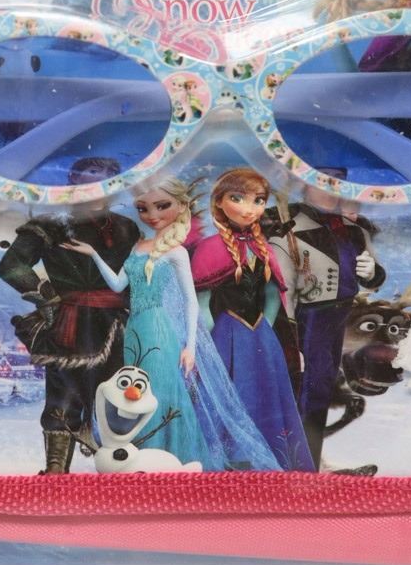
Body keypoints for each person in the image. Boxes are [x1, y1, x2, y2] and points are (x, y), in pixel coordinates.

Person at [63, 178, 280, 471]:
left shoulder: (176, 252)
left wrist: (190, 346)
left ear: (181, 206)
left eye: (162, 206)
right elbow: (117, 285)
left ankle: (167, 458)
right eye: (143, 208)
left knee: (160, 391)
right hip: (135, 329)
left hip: (159, 330)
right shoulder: (138, 247)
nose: (152, 215)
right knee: (137, 391)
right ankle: (142, 458)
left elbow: (191, 301)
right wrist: (94, 255)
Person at [0, 157, 140, 474]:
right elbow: (12, 266)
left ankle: (119, 473)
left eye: (110, 177)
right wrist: (47, 297)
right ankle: (56, 472)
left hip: (120, 326)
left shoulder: (127, 227)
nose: (101, 183)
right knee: (65, 395)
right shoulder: (50, 224)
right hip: (71, 324)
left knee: (120, 396)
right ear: (73, 180)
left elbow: (137, 275)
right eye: (93, 175)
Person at [191, 168, 315, 472]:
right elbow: (203, 303)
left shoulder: (264, 248)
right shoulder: (209, 248)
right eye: (238, 198)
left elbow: (273, 296)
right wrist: (208, 344)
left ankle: (268, 462)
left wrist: (265, 332)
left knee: (266, 397)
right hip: (225, 336)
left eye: (258, 200)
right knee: (228, 394)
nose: (250, 208)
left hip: (260, 336)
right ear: (219, 202)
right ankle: (230, 462)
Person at [266, 177, 385, 468]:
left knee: (324, 387)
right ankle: (295, 462)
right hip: (311, 320)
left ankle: (309, 460)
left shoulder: (354, 231)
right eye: (323, 185)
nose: (334, 194)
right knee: (308, 389)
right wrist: (290, 339)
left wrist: (372, 273)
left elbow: (372, 279)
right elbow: (284, 293)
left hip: (340, 317)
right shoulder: (289, 233)